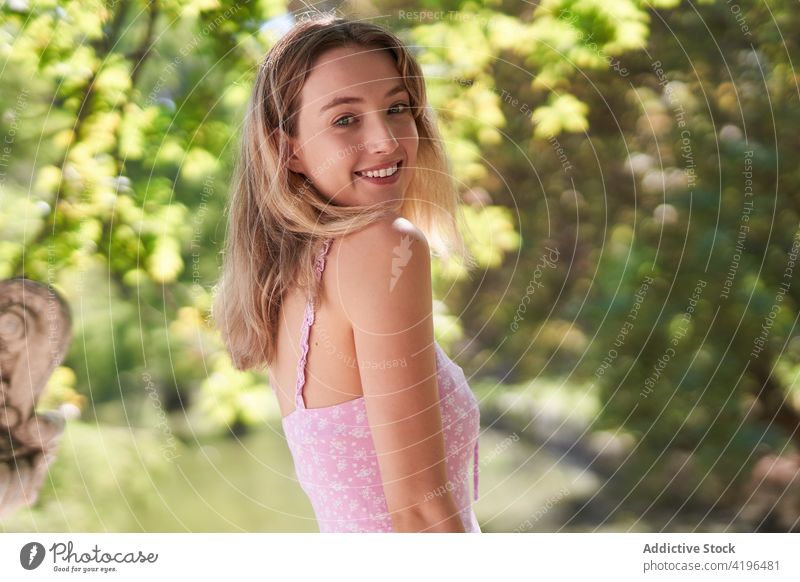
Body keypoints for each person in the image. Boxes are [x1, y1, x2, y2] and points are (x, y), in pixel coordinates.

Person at [213, 11, 481, 533]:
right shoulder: (382, 248)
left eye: (397, 108)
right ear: (287, 149)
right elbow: (419, 510)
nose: (385, 140)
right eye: (345, 119)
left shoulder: (291, 275)